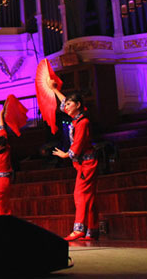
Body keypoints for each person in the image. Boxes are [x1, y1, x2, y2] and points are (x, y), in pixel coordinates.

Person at [51, 89, 98, 241]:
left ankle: (79, 228)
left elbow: (78, 144)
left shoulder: (83, 122)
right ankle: (92, 230)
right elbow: (64, 102)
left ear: (78, 105)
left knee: (80, 195)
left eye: (70, 104)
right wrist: (53, 89)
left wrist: (66, 154)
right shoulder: (77, 119)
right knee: (89, 197)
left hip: (87, 164)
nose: (66, 106)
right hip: (84, 163)